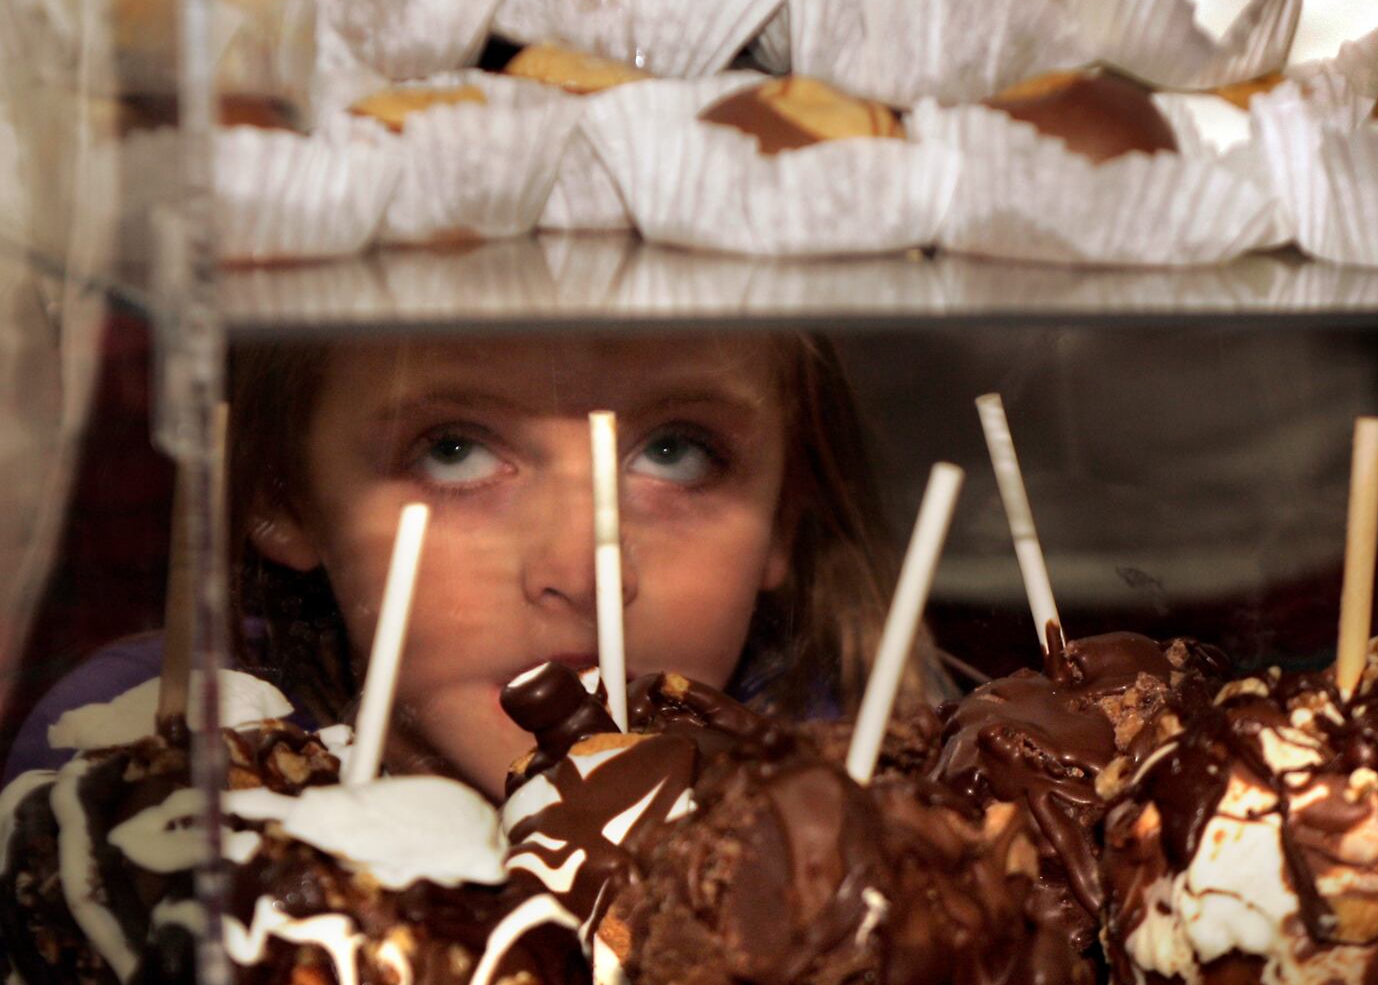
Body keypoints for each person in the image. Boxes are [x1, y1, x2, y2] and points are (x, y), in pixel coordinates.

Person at [4, 329, 939, 798]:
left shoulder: (848, 783)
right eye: (452, 450)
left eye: (676, 452)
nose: (585, 568)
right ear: (281, 495)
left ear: (785, 517)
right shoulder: (149, 760)